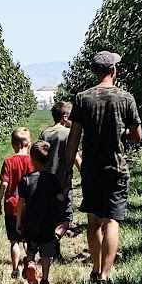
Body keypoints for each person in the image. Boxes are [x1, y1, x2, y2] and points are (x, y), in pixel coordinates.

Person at [61, 50, 142, 284]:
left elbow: (74, 137)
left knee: (93, 220)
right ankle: (105, 276)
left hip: (91, 168)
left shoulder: (82, 98)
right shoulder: (126, 98)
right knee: (112, 220)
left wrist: (68, 169)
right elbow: (137, 136)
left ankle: (96, 269)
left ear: (95, 72)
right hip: (116, 167)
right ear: (113, 70)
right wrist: (123, 135)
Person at [16, 139, 61, 284]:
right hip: (48, 223)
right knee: (46, 253)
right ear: (48, 161)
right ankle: (45, 278)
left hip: (30, 222)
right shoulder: (52, 179)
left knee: (31, 249)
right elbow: (61, 197)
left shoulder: (26, 179)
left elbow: (21, 202)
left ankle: (30, 263)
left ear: (32, 160)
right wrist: (66, 188)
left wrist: (18, 221)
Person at [0, 126, 33, 280]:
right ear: (29, 144)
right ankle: (29, 262)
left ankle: (15, 269)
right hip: (28, 206)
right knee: (28, 239)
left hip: (11, 206)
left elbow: (4, 183)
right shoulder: (32, 161)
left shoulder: (8, 162)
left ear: (14, 145)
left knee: (14, 241)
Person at [41, 97, 79, 234]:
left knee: (50, 215)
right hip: (63, 182)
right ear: (65, 117)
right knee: (64, 217)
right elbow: (75, 157)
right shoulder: (68, 134)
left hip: (46, 182)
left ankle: (51, 242)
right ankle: (55, 239)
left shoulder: (45, 133)